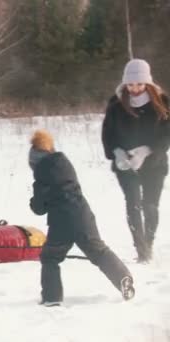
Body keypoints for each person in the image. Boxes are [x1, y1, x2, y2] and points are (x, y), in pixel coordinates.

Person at [29, 129, 134, 306]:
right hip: (83, 215)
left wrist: (35, 197)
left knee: (50, 257)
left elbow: (38, 208)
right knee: (99, 251)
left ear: (34, 161)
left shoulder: (42, 175)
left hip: (61, 222)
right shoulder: (63, 163)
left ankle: (51, 298)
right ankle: (124, 278)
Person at [102, 59, 170, 263]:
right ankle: (141, 251)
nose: (135, 89)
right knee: (133, 204)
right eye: (131, 84)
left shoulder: (162, 101)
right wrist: (117, 152)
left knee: (150, 205)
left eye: (139, 84)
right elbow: (108, 133)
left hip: (154, 164)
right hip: (126, 164)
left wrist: (147, 150)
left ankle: (148, 243)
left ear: (147, 83)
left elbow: (167, 135)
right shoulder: (115, 103)